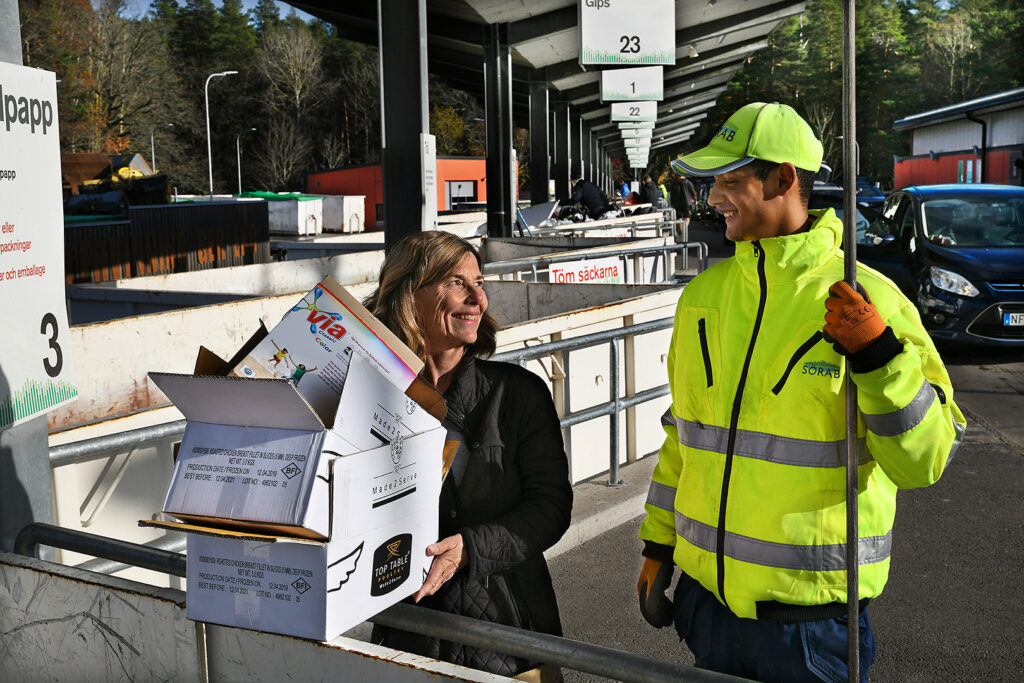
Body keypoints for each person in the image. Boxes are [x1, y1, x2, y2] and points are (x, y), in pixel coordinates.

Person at [637, 102, 966, 682]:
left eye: (730, 181)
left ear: (784, 179)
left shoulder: (871, 299)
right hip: (707, 610)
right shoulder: (702, 300)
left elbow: (925, 460)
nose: (713, 197)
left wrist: (880, 358)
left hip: (813, 627)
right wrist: (658, 546)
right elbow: (684, 437)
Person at [365, 231, 573, 681]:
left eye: (479, 282)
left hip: (509, 638)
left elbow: (551, 508)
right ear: (409, 293)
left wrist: (470, 550)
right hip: (406, 637)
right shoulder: (367, 397)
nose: (478, 297)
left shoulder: (517, 393)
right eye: (457, 282)